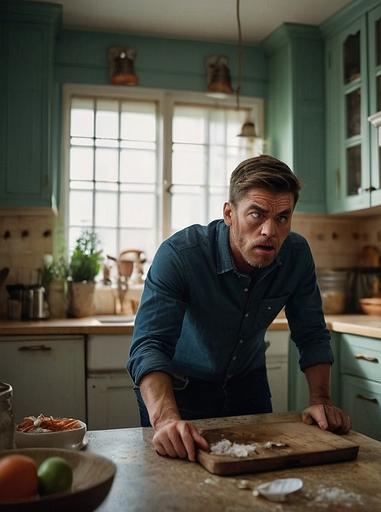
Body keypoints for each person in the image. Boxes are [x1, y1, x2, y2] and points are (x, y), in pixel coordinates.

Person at [126, 154, 351, 461]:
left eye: (282, 217)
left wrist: (321, 400)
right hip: (177, 395)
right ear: (229, 213)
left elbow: (311, 333)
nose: (269, 231)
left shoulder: (296, 255)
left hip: (249, 388)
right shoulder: (179, 255)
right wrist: (166, 419)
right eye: (256, 215)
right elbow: (149, 345)